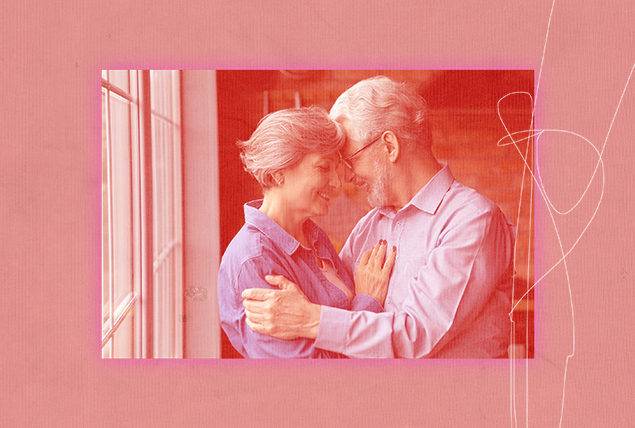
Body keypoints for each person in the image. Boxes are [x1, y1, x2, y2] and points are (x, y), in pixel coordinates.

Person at [242, 76, 517, 358]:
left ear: (389, 146)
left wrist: (310, 319)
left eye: (350, 160)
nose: (345, 177)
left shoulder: (471, 219)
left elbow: (416, 335)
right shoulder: (369, 226)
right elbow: (341, 310)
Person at [217, 106, 396, 358]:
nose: (336, 182)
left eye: (336, 168)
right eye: (323, 168)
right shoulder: (255, 261)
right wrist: (368, 302)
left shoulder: (313, 235)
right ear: (278, 172)